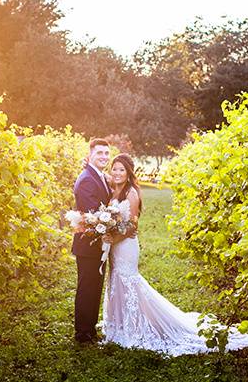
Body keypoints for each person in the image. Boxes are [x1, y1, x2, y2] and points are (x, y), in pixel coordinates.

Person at [100, 153, 248, 356]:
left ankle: (136, 325)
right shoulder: (114, 191)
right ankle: (118, 324)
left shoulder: (131, 193)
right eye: (115, 169)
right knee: (115, 281)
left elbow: (131, 226)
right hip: (114, 247)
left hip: (126, 246)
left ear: (129, 172)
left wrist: (113, 239)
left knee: (129, 281)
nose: (117, 172)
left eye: (122, 169)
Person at [72, 138, 136, 344]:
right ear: (90, 154)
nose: (104, 157)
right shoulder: (87, 179)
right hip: (88, 245)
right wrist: (116, 229)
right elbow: (95, 214)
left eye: (106, 153)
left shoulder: (98, 176)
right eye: (99, 153)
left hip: (100, 244)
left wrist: (121, 230)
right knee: (87, 288)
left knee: (94, 288)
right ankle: (83, 334)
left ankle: (89, 330)